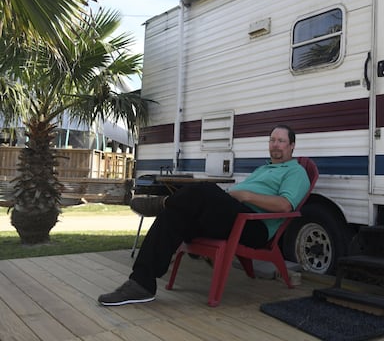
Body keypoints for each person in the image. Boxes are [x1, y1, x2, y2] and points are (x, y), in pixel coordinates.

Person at [98, 124, 310, 306]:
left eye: (281, 141)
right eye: (272, 140)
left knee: (204, 190)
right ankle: (141, 284)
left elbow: (284, 206)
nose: (275, 144)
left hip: (254, 226)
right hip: (230, 217)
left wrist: (245, 195)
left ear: (292, 146)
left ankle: (161, 203)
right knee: (174, 215)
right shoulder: (263, 169)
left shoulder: (296, 172)